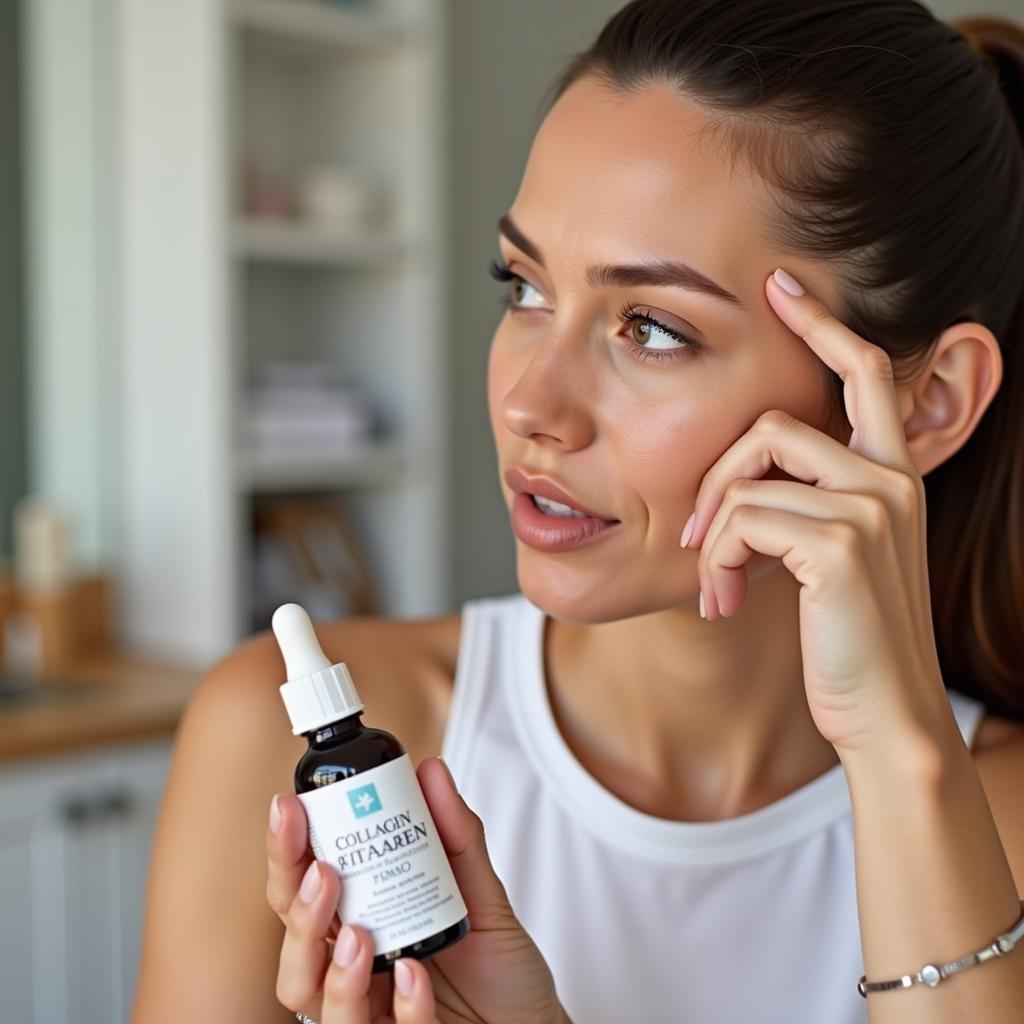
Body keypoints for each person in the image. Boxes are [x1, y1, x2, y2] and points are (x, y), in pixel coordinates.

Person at [130, 2, 1024, 1022]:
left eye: (650, 327)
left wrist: (898, 753)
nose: (527, 405)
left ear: (928, 400)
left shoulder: (992, 819)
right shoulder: (299, 758)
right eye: (523, 287)